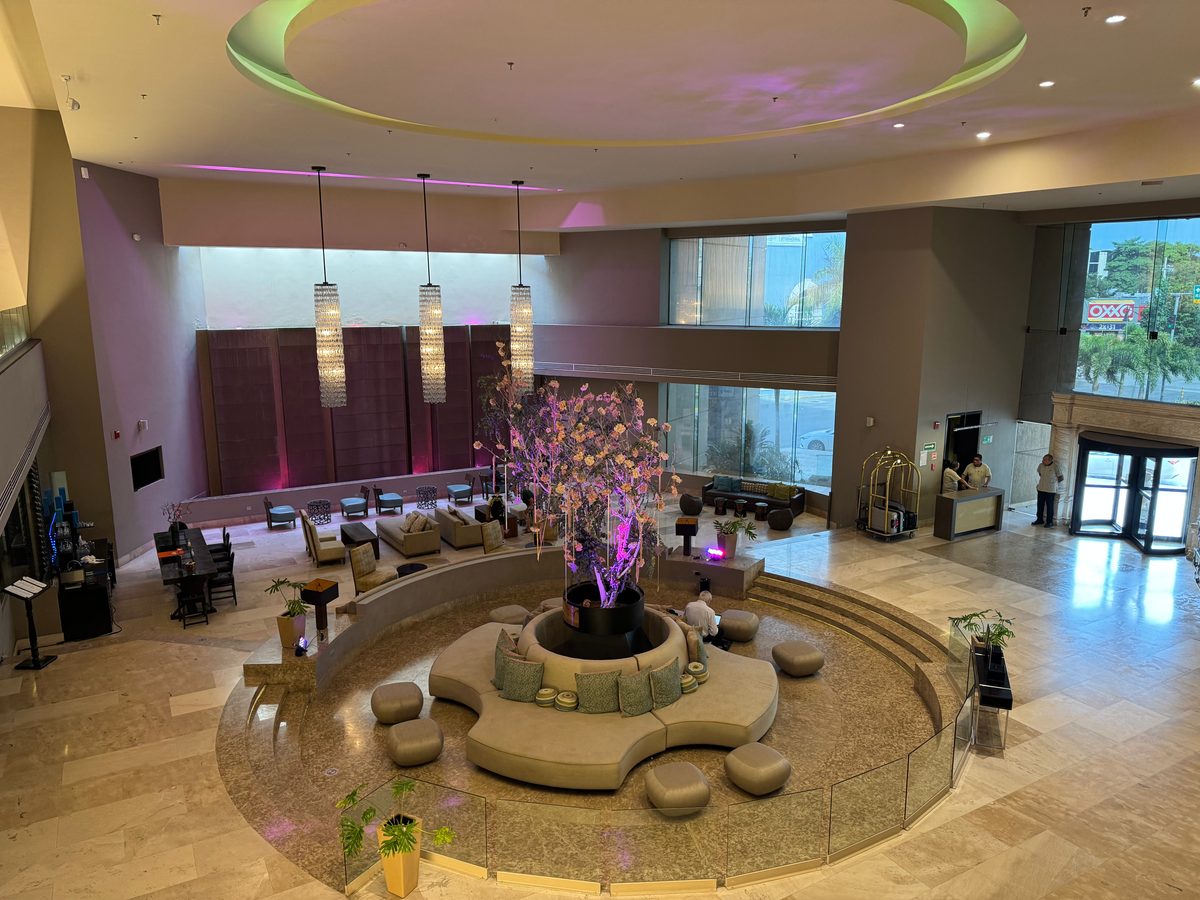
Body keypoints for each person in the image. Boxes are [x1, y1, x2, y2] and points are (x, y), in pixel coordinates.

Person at [1033, 452, 1064, 528]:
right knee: (1040, 504)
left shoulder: (1055, 467)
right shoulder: (1041, 466)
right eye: (1043, 459)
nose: (1042, 461)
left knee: (1049, 506)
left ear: (1050, 460)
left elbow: (1061, 478)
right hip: (1041, 488)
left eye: (1044, 460)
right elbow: (1040, 473)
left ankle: (1049, 522)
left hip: (1050, 489)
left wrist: (1053, 483)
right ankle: (1039, 519)